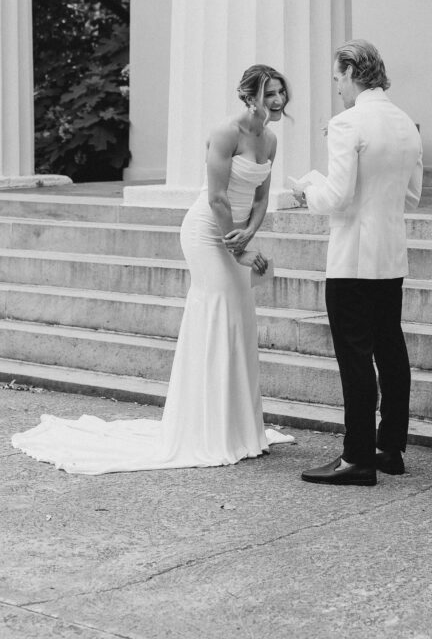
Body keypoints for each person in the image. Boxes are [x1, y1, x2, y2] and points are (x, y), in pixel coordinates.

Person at [12, 65, 294, 474]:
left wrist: (249, 235)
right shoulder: (226, 133)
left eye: (282, 93)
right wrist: (237, 250)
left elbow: (261, 197)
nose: (279, 100)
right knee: (216, 314)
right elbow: (217, 199)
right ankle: (205, 430)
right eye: (271, 93)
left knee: (240, 320)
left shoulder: (269, 139)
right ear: (250, 96)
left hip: (236, 235)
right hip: (206, 233)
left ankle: (242, 430)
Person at [293, 40, 422, 486]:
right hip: (391, 255)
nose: (337, 89)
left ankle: (356, 457)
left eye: (337, 79)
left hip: (351, 260)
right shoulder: (406, 122)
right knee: (391, 351)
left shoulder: (348, 122)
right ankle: (390, 448)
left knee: (355, 358)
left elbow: (337, 197)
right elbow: (412, 195)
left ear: (351, 72)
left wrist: (307, 188)